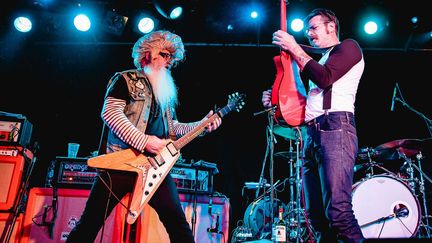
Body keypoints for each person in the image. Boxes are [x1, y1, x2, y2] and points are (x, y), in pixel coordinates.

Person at [66, 30, 222, 243]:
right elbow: (110, 113)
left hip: (154, 167)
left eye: (172, 58)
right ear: (149, 54)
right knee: (90, 224)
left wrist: (201, 126)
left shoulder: (165, 93)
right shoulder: (125, 79)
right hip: (119, 163)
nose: (171, 61)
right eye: (165, 55)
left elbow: (173, 130)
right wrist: (144, 141)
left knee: (177, 223)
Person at [262, 8, 365, 243]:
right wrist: (275, 98)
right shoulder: (321, 59)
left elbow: (324, 78)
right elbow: (304, 101)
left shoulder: (349, 48)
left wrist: (295, 47)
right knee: (316, 217)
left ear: (331, 26)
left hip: (336, 129)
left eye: (313, 28)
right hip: (313, 133)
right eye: (307, 30)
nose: (309, 34)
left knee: (338, 213)